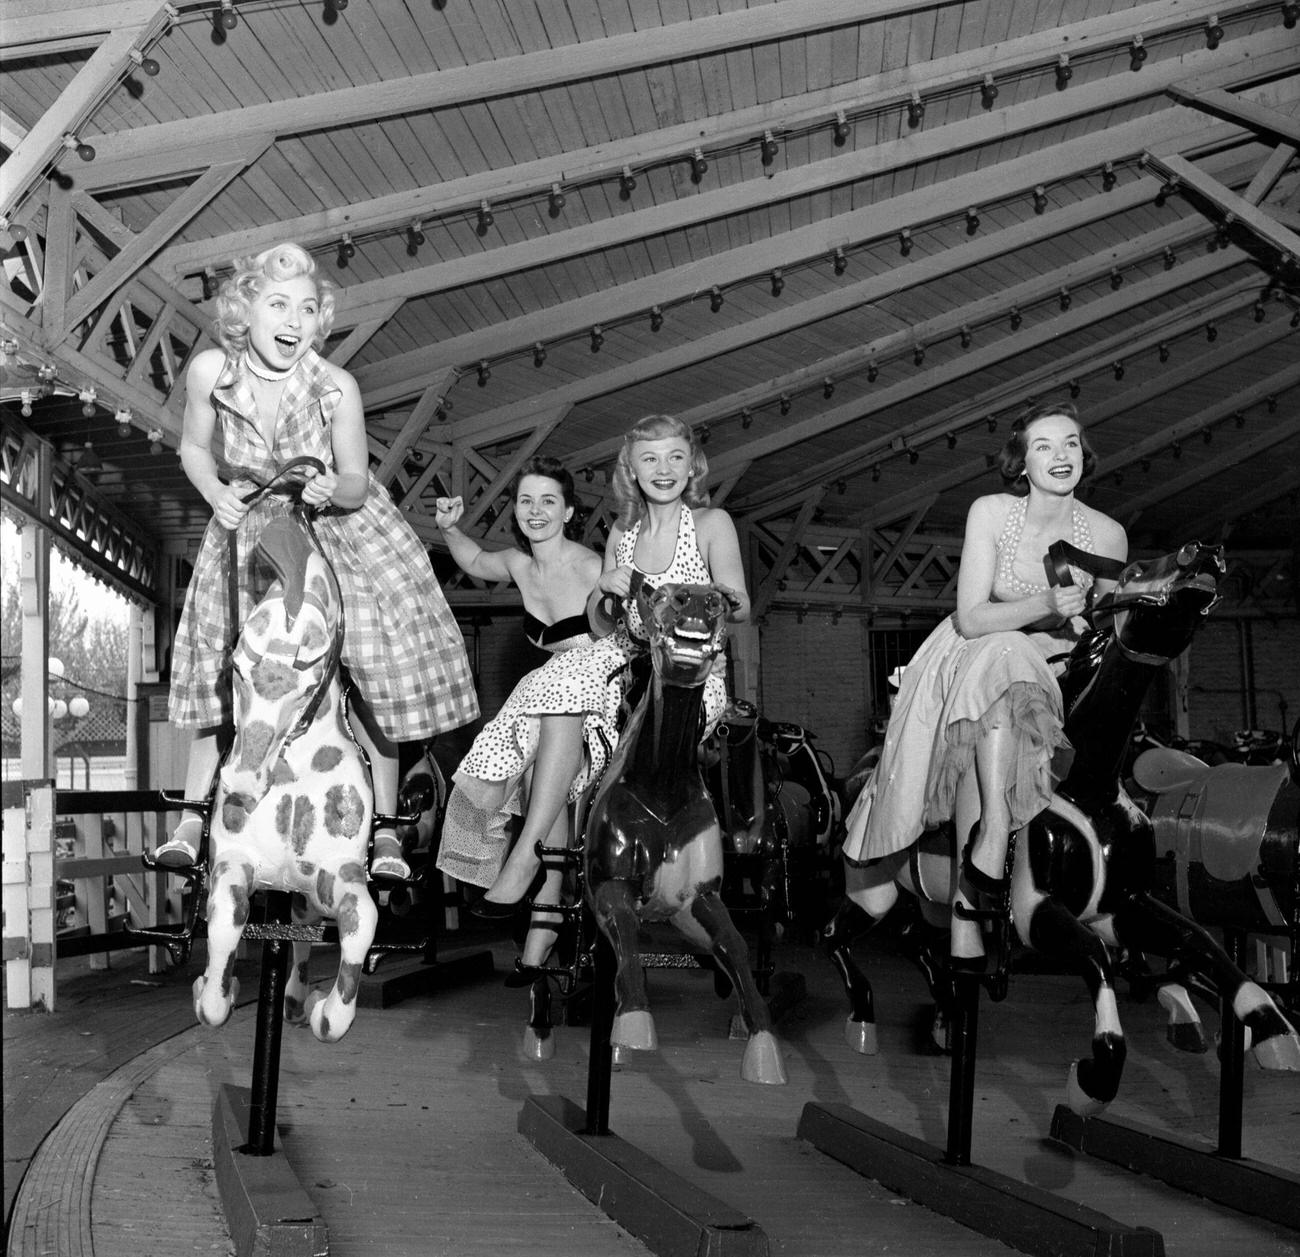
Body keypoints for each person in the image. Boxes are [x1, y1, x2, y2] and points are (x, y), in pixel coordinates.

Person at [155, 242, 479, 878]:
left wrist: (335, 486)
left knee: (368, 666)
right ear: (244, 312)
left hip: (334, 529)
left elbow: (358, 478)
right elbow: (193, 447)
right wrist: (216, 491)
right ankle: (194, 814)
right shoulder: (210, 372)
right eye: (279, 305)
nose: (294, 321)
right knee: (228, 663)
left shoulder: (336, 386)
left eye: (308, 309)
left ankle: (385, 826)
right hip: (249, 527)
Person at [454, 414, 749, 977]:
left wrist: (702, 598)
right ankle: (530, 854)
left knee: (585, 691)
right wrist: (607, 592)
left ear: (691, 466)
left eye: (674, 459)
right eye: (649, 460)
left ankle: (669, 851)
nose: (663, 470)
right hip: (625, 657)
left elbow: (741, 602)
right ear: (631, 471)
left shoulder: (712, 523)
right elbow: (600, 621)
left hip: (687, 667)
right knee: (551, 686)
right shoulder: (622, 533)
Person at [841, 400, 1127, 963]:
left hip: (1062, 670)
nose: (1059, 455)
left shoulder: (1109, 534)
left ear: (1084, 456)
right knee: (1006, 652)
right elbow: (971, 616)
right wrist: (1042, 603)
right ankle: (990, 827)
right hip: (977, 652)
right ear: (1021, 463)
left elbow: (1104, 629)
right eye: (1043, 446)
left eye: (1070, 443)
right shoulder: (992, 513)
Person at [433, 457, 602, 909]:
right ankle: (546, 921)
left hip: (600, 682)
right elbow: (472, 558)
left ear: (568, 512)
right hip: (551, 686)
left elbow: (625, 634)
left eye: (549, 501)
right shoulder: (517, 563)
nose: (536, 510)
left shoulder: (590, 567)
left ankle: (525, 858)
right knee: (501, 755)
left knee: (555, 692)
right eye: (526, 500)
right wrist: (450, 528)